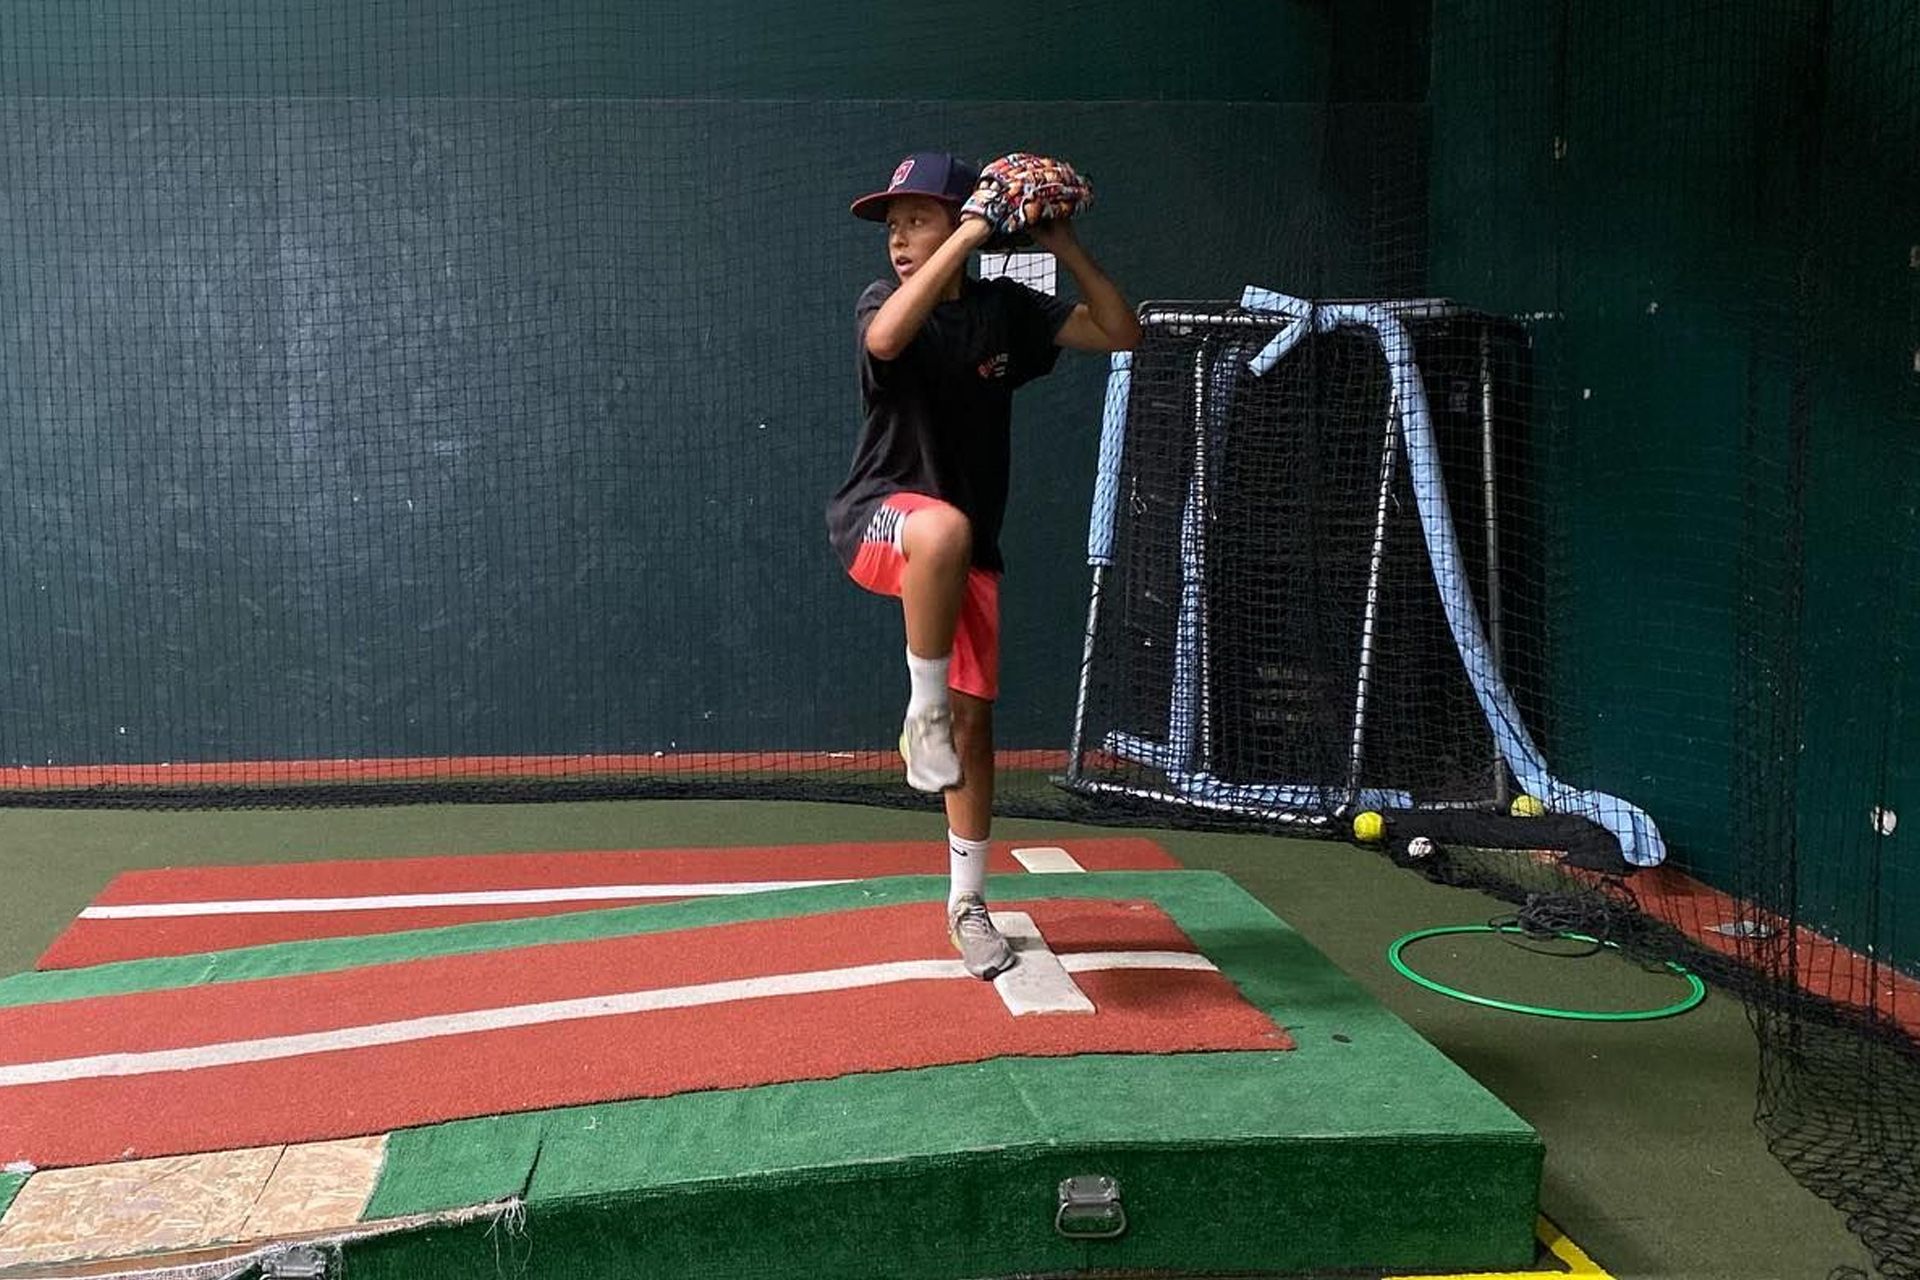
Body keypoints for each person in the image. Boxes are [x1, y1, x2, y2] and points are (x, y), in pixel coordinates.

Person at [824, 150, 1142, 979]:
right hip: (881, 520)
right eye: (893, 227)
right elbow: (890, 337)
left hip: (970, 549)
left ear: (970, 216)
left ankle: (968, 902)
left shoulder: (1008, 314)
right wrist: (964, 236)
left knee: (976, 723)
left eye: (917, 220)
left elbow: (1120, 331)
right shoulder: (881, 303)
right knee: (941, 534)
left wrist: (1061, 242)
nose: (899, 240)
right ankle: (918, 712)